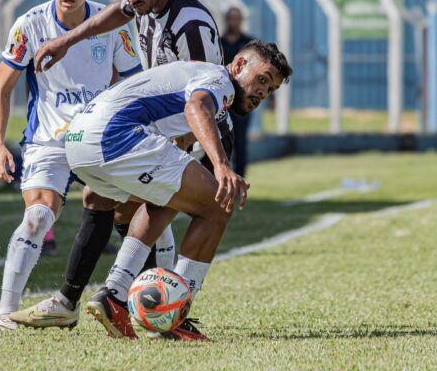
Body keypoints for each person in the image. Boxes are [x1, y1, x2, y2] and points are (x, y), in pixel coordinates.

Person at [12, 0, 225, 329]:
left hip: (196, 135)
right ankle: (89, 301)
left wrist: (185, 149)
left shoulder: (189, 25)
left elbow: (204, 97)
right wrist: (67, 40)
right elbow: (114, 15)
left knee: (158, 211)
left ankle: (161, 312)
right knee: (108, 200)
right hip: (164, 126)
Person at [71, 41, 292, 340]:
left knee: (172, 194)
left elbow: (182, 130)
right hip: (114, 134)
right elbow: (196, 105)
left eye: (271, 89)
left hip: (79, 142)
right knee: (217, 204)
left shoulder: (194, 75)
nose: (263, 92)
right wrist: (221, 166)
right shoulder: (219, 80)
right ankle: (174, 313)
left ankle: (114, 293)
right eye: (262, 79)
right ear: (239, 65)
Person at [0, 0, 142, 330]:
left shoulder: (114, 24)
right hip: (49, 141)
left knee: (143, 210)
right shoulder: (29, 26)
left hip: (99, 138)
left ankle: (158, 298)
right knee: (38, 217)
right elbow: (1, 90)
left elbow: (135, 82)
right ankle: (5, 313)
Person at [220, 7, 254, 177]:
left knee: (240, 141)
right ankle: (222, 178)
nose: (234, 21)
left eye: (237, 18)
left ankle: (240, 178)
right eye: (231, 18)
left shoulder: (250, 44)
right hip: (221, 101)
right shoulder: (218, 43)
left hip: (241, 101)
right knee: (221, 141)